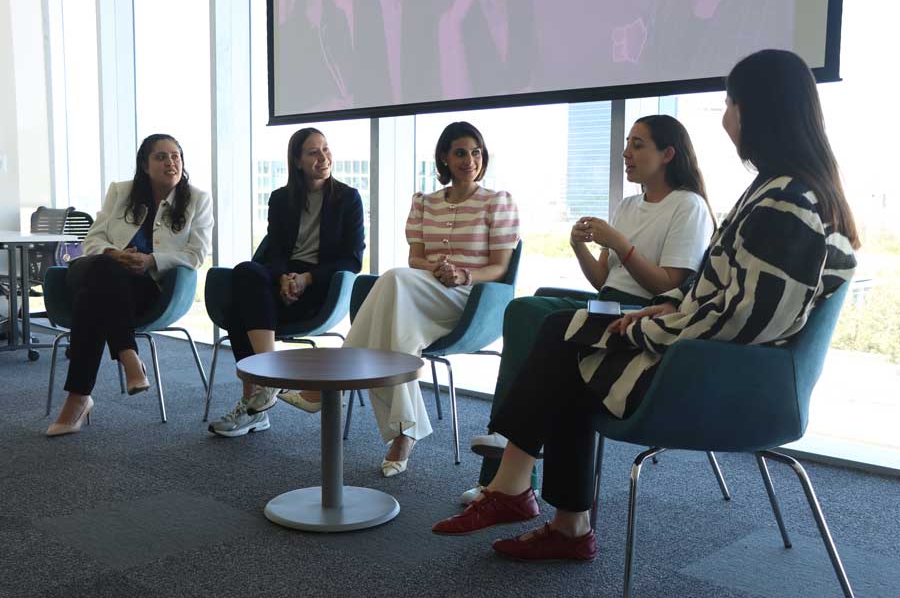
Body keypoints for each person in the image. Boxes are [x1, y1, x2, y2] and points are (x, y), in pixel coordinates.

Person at [431, 49, 859, 562]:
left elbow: (743, 322)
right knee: (563, 339)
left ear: (756, 110)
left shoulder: (788, 202)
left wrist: (648, 325)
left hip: (722, 378)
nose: (725, 117)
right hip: (708, 355)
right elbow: (715, 290)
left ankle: (520, 489)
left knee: (564, 343)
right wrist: (664, 311)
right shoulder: (781, 191)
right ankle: (551, 514)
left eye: (729, 102)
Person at [459, 114, 716, 504]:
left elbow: (668, 284)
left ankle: (504, 458)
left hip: (642, 313)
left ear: (668, 154)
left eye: (637, 144)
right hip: (608, 301)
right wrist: (580, 245)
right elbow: (603, 279)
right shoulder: (629, 205)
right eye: (627, 144)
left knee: (542, 318)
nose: (626, 153)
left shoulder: (688, 206)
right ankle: (507, 449)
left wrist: (619, 242)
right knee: (523, 310)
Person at [340, 121, 519, 477]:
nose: (470, 160)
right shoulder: (425, 203)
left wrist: (463, 274)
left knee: (393, 280)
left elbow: (500, 267)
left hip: (470, 300)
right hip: (427, 290)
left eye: (476, 152)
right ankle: (405, 434)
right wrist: (436, 267)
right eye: (461, 153)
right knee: (400, 328)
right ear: (444, 159)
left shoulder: (497, 202)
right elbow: (416, 259)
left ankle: (340, 374)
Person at [46, 134, 214, 437]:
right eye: (161, 157)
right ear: (145, 164)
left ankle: (78, 398)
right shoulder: (121, 192)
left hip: (146, 288)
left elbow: (196, 254)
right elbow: (93, 239)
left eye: (175, 156)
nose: (170, 162)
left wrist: (151, 261)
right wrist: (114, 254)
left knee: (94, 299)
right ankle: (127, 355)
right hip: (96, 270)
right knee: (104, 268)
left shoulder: (197, 200)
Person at [208, 127, 365, 438]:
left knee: (240, 309)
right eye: (313, 152)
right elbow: (276, 250)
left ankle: (256, 398)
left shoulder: (348, 198)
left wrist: (305, 279)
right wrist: (282, 278)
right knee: (246, 271)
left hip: (320, 289)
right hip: (282, 283)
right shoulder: (281, 199)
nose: (323, 157)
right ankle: (266, 384)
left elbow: (351, 259)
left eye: (326, 149)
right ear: (297, 161)